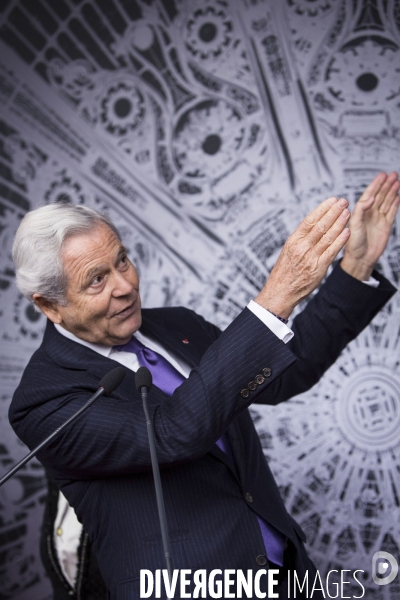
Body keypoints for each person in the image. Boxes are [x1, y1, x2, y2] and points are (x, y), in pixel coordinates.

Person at [8, 172, 399, 599]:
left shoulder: (176, 325)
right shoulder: (42, 402)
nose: (125, 287)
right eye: (96, 280)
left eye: (122, 260)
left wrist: (355, 266)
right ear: (50, 306)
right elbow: (171, 434)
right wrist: (276, 298)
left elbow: (286, 370)